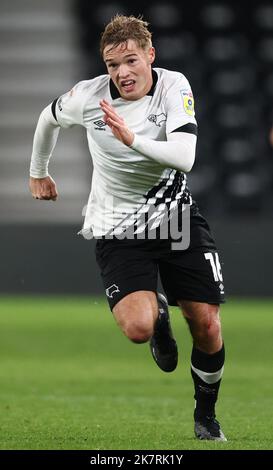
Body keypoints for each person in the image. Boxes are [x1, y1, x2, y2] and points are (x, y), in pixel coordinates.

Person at [29, 15, 226, 442]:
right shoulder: (88, 97)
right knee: (137, 329)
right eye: (112, 64)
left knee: (206, 324)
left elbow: (185, 157)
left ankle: (206, 416)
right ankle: (156, 313)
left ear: (150, 56)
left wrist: (132, 140)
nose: (121, 73)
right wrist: (38, 172)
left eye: (130, 60)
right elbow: (47, 119)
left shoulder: (174, 86)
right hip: (117, 226)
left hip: (175, 220)